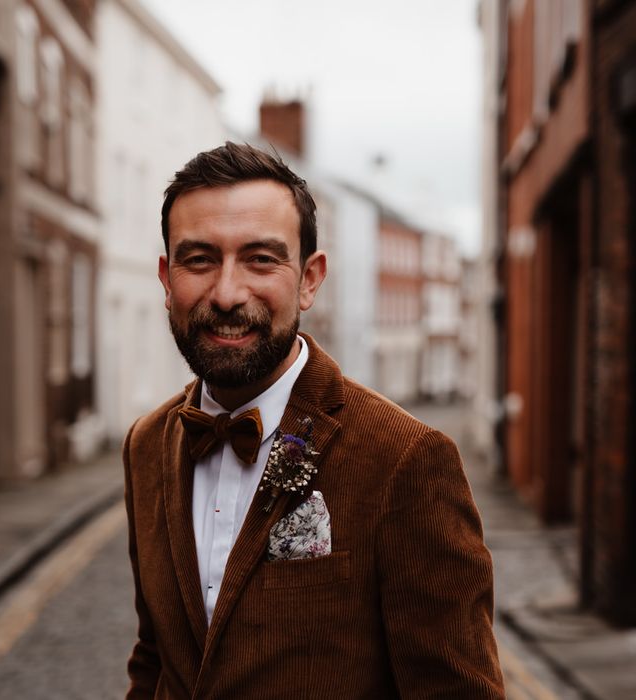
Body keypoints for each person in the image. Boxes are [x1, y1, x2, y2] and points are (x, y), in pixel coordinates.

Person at [122, 142, 505, 699]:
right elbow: (155, 659)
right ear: (166, 278)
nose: (227, 293)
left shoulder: (407, 460)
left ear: (309, 278)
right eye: (200, 259)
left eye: (261, 259)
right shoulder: (145, 445)